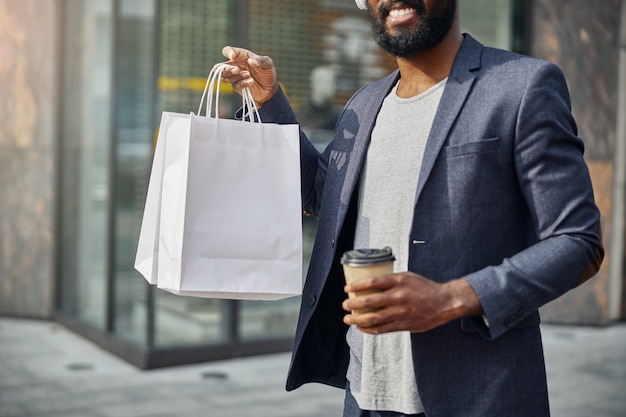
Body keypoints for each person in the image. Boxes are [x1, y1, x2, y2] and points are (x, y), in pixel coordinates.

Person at [219, 0, 604, 416]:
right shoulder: (365, 103)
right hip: (365, 393)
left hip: (476, 393)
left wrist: (451, 298)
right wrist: (267, 102)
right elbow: (320, 194)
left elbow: (578, 242)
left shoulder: (521, 87)